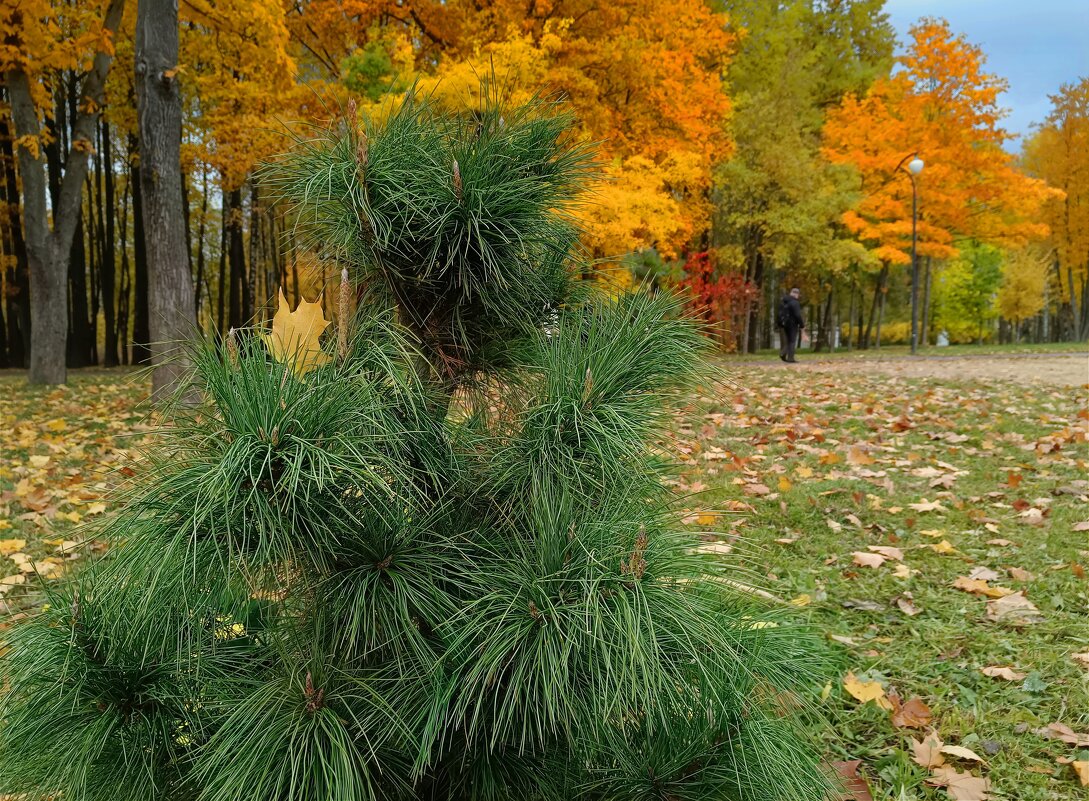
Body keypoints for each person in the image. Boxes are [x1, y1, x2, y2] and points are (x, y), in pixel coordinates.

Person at [777, 287, 805, 363]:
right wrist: (802, 325)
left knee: (789, 340)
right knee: (792, 341)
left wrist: (780, 323)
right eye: (798, 294)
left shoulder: (783, 301)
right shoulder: (795, 302)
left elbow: (779, 313)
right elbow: (797, 315)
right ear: (796, 294)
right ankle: (790, 358)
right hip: (793, 324)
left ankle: (783, 353)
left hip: (785, 323)